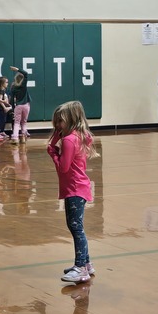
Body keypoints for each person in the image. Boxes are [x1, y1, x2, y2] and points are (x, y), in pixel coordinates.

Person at [47, 101, 99, 283]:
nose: (57, 126)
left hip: (74, 189)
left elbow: (63, 167)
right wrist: (56, 135)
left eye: (60, 122)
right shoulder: (79, 135)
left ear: (70, 119)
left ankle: (80, 268)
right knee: (76, 226)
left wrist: (52, 153)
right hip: (77, 187)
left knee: (76, 227)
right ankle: (86, 263)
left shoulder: (69, 140)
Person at [8, 66, 32, 144]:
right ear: (22, 79)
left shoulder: (13, 87)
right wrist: (17, 69)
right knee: (24, 122)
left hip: (18, 106)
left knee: (17, 123)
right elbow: (26, 74)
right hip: (26, 105)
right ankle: (23, 137)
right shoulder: (23, 86)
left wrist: (12, 107)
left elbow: (11, 99)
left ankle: (15, 138)